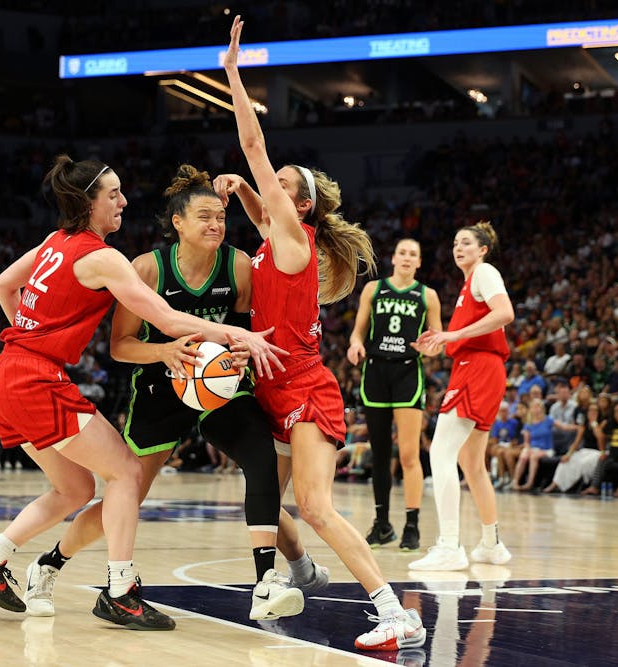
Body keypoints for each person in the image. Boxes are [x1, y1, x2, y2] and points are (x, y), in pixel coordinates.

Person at [0, 153, 286, 631]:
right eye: (113, 194)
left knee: (75, 489)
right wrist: (240, 336)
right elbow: (167, 321)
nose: (124, 201)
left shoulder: (54, 241)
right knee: (128, 472)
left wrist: (30, 337)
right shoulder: (102, 256)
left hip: (8, 372)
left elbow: (3, 285)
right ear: (89, 202)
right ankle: (121, 591)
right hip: (34, 378)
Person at [24, 164, 327, 623]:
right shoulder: (146, 267)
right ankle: (49, 565)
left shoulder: (239, 265)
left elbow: (243, 331)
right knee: (125, 496)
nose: (215, 225)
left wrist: (240, 354)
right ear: (178, 223)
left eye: (220, 217)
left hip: (220, 385)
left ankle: (265, 581)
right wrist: (165, 350)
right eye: (204, 217)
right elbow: (121, 346)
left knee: (260, 456)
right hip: (159, 390)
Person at [214, 16, 425, 652]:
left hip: (305, 387)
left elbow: (255, 151)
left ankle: (394, 612)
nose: (271, 193)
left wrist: (232, 75)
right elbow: (258, 202)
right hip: (271, 387)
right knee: (263, 506)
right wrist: (245, 189)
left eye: (282, 187)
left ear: (300, 206)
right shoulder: (273, 236)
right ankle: (304, 571)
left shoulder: (295, 240)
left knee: (313, 505)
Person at [408, 221, 514, 571]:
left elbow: (505, 314)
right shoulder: (469, 284)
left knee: (441, 451)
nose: (459, 247)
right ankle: (491, 544)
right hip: (478, 368)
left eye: (466, 243)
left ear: (483, 249)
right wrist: (439, 342)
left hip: (479, 369)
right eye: (456, 242)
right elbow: (467, 335)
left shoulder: (485, 272)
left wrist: (452, 336)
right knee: (471, 464)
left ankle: (450, 545)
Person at [346, 238, 442, 552]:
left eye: (413, 253)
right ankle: (382, 524)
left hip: (406, 373)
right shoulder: (374, 289)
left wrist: (431, 348)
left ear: (418, 262)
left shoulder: (428, 296)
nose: (406, 257)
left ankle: (411, 525)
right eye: (402, 252)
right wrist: (355, 344)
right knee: (380, 454)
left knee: (409, 455)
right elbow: (359, 330)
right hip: (374, 372)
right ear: (394, 257)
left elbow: (437, 341)